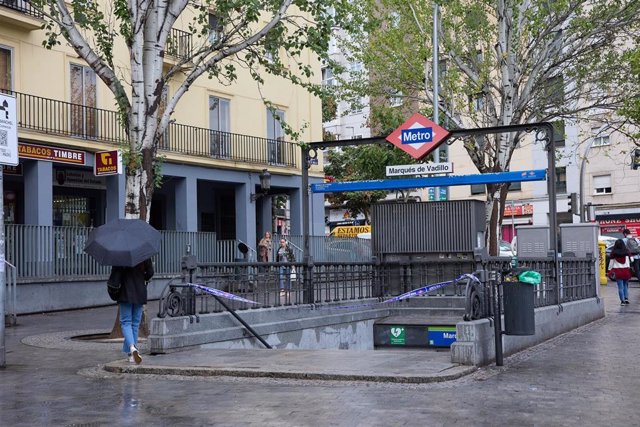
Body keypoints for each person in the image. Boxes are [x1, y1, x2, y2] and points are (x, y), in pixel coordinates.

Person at [108, 258, 154, 364]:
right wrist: (143, 277)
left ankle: (132, 348)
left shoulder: (120, 256)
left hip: (125, 293)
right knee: (135, 324)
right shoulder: (143, 254)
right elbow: (150, 272)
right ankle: (131, 354)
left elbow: (115, 276)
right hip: (140, 292)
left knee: (126, 322)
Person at [608, 239, 632, 305]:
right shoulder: (626, 252)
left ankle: (622, 301)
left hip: (618, 271)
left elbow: (611, 263)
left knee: (620, 287)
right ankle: (626, 298)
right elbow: (630, 261)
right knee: (625, 285)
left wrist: (609, 270)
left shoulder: (613, 253)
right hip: (626, 271)